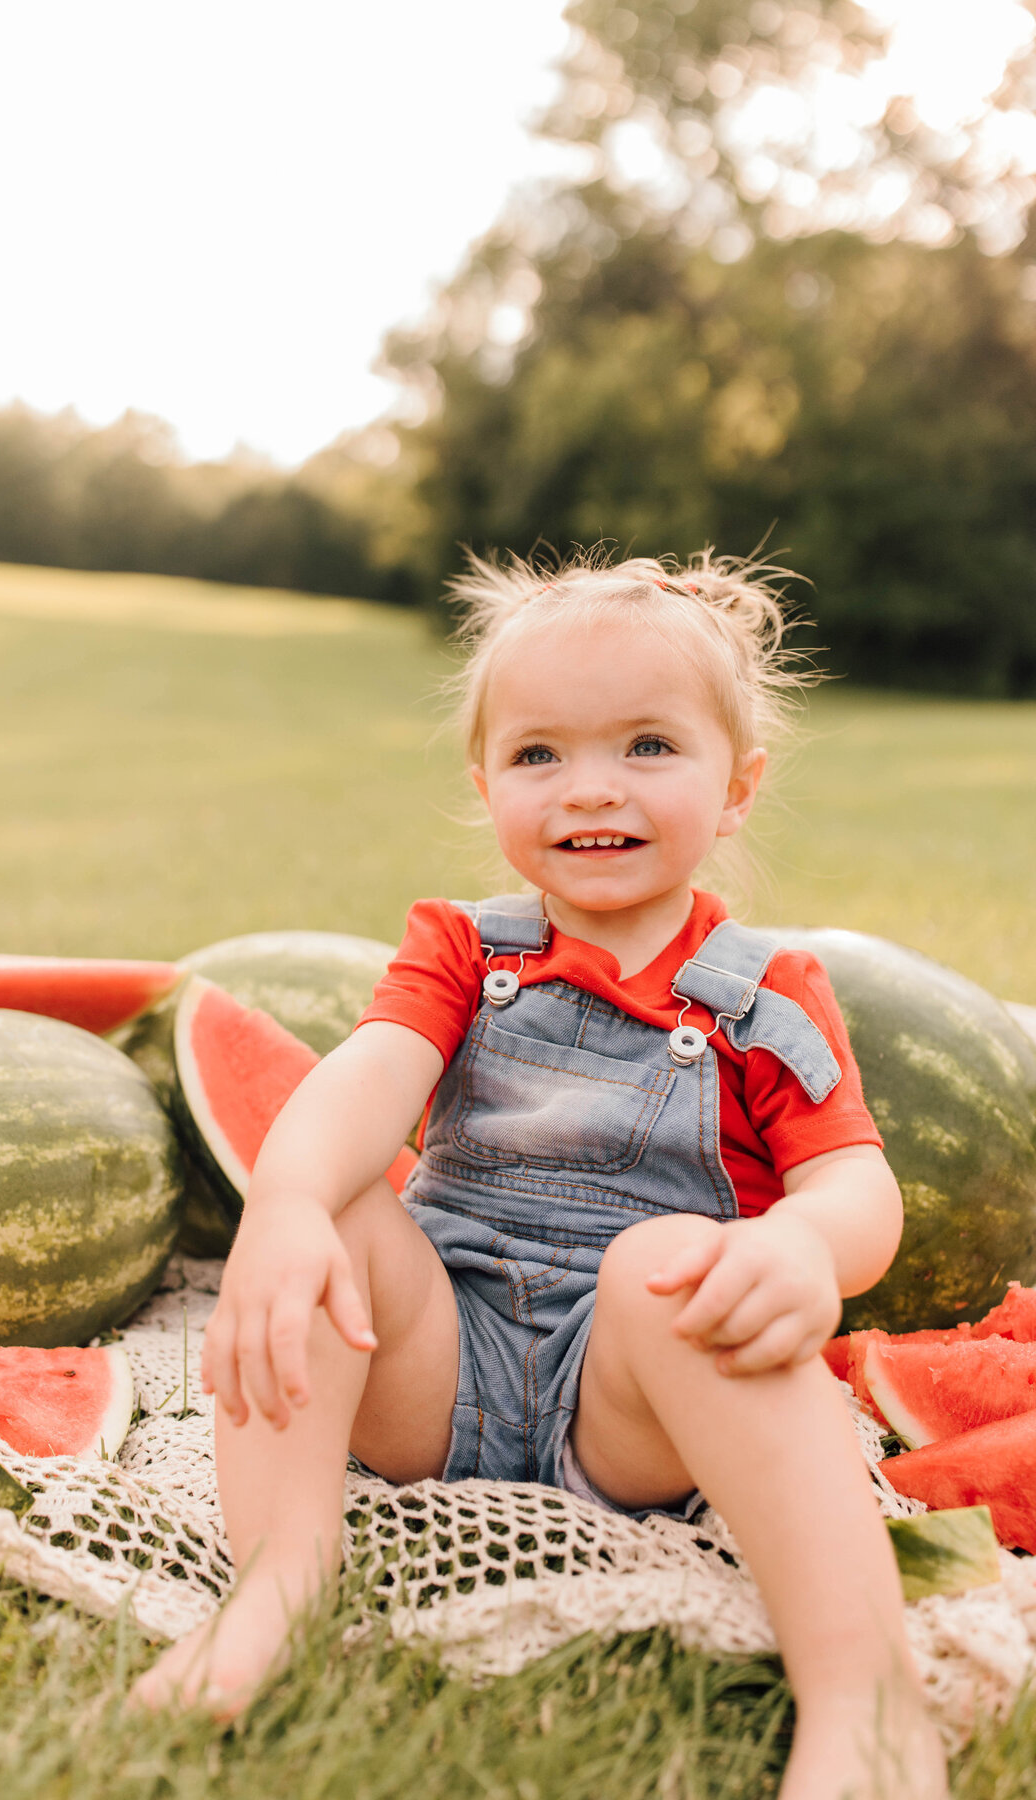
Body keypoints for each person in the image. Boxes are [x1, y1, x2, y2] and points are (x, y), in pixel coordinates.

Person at [133, 551, 948, 1799]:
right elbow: (366, 1079)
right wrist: (290, 1208)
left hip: (627, 1409)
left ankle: (865, 1696)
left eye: (648, 747)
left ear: (739, 787)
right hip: (435, 1366)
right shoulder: (464, 949)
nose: (592, 791)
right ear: (485, 784)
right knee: (337, 1205)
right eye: (539, 756)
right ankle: (278, 1585)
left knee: (666, 1263)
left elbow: (857, 1190)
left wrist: (796, 1246)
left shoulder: (765, 995)